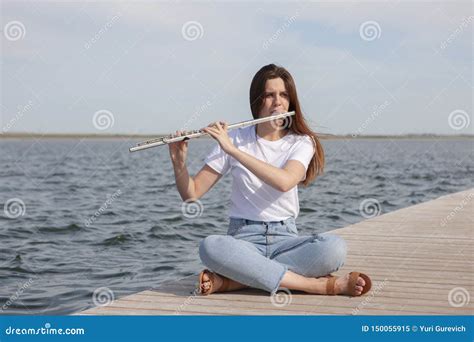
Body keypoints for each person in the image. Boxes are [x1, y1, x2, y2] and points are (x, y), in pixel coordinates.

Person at [168, 64, 371, 297]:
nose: (277, 102)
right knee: (210, 247)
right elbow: (191, 193)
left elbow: (285, 181)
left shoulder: (302, 142)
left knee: (335, 249)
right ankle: (314, 285)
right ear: (257, 101)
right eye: (269, 95)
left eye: (284, 95)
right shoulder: (235, 137)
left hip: (285, 239)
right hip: (243, 239)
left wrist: (233, 151)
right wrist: (179, 163)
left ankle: (238, 279)